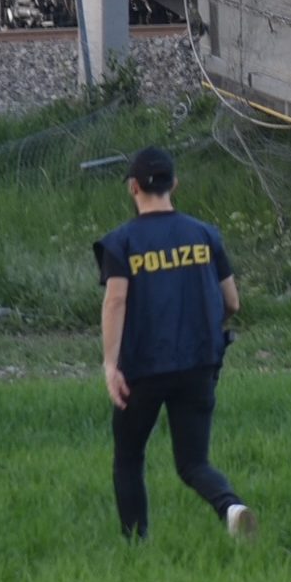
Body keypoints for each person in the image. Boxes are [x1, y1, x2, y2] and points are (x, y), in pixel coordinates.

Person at [96, 146, 253, 541]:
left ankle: (135, 544)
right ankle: (231, 507)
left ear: (133, 187)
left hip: (143, 367)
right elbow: (232, 302)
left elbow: (116, 299)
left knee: (129, 457)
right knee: (193, 462)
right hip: (199, 363)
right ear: (175, 184)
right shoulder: (204, 235)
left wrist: (111, 365)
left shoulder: (122, 242)